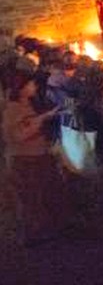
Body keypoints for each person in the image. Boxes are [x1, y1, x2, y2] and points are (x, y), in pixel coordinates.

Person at [3, 72, 68, 245]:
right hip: (25, 158)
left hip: (38, 155)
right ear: (22, 88)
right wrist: (42, 119)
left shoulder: (27, 105)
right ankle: (31, 234)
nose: (35, 87)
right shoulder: (13, 109)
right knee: (30, 198)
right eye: (31, 84)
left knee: (43, 194)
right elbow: (19, 135)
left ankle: (45, 228)